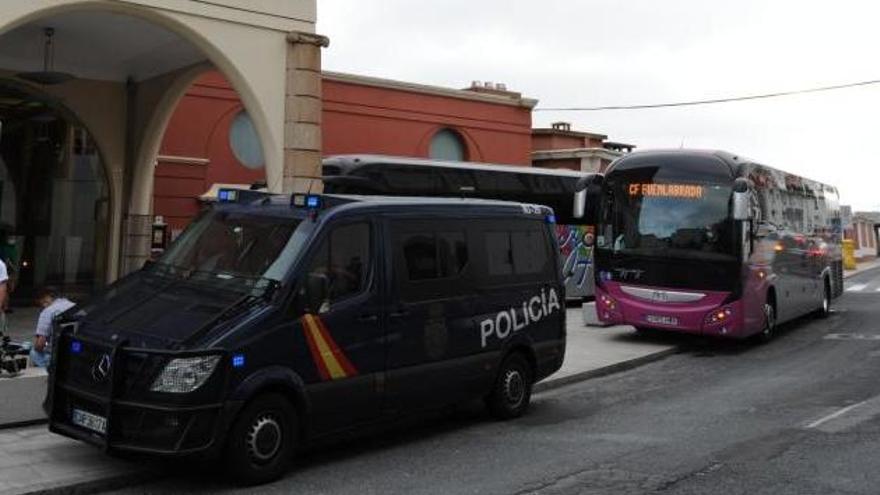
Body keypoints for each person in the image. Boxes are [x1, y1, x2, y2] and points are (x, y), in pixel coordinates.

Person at [30, 287, 75, 368]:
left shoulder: (48, 311)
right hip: (74, 353)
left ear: (45, 298)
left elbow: (40, 344)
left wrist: (36, 347)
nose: (42, 306)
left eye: (41, 303)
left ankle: (46, 373)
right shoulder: (74, 306)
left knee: (33, 352)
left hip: (56, 356)